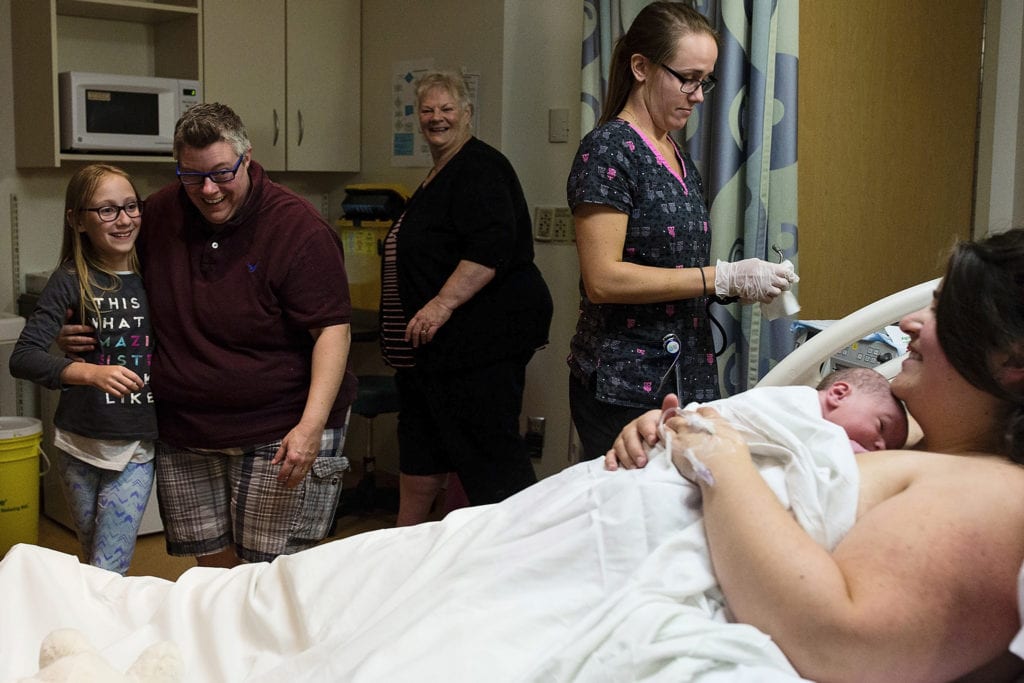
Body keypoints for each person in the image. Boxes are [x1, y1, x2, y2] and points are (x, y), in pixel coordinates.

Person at [608, 228, 1024, 681]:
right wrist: (666, 431)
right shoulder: (905, 433)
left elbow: (839, 645)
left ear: (1012, 361)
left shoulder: (994, 494)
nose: (909, 323)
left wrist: (719, 461)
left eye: (940, 310)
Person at [58, 103, 357, 568]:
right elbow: (115, 281)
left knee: (268, 578)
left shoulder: (298, 228)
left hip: (280, 428)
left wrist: (310, 428)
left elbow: (332, 332)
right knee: (213, 576)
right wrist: (78, 332)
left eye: (221, 173)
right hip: (186, 429)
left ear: (247, 158)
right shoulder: (159, 214)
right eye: (192, 176)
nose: (209, 190)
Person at [566, 1, 797, 462]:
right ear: (641, 68)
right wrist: (720, 277)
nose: (698, 95)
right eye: (687, 78)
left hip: (682, 373)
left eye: (705, 80)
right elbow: (603, 280)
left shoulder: (673, 152)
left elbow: (672, 268)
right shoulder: (609, 149)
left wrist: (742, 284)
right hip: (625, 385)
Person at [379, 70, 553, 526]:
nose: (436, 118)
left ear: (468, 113)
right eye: (427, 110)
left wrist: (440, 304)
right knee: (421, 452)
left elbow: (490, 248)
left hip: (477, 347)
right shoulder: (440, 173)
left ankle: (521, 545)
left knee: (490, 458)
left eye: (447, 109)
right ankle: (406, 551)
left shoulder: (480, 167)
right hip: (432, 354)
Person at [9, 164, 156, 575]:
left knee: (108, 568)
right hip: (76, 443)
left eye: (131, 206)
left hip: (135, 445)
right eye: (107, 210)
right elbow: (23, 357)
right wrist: (89, 372)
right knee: (93, 563)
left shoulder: (156, 274)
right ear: (77, 220)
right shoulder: (70, 279)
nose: (124, 219)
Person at [605, 365, 910, 472]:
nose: (881, 447)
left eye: (889, 447)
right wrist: (660, 421)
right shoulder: (794, 406)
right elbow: (730, 415)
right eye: (881, 427)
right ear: (839, 394)